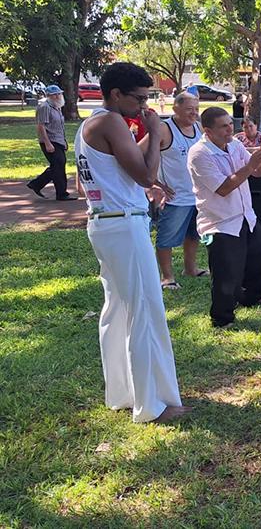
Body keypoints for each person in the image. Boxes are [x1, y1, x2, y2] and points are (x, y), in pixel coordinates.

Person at [74, 62, 187, 422]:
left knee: (119, 311)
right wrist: (155, 133)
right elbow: (145, 174)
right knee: (145, 310)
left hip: (107, 222)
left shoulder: (90, 125)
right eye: (138, 99)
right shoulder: (109, 121)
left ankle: (123, 393)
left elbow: (120, 168)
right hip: (123, 225)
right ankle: (151, 405)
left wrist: (144, 150)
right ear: (115, 94)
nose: (143, 106)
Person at [188, 107, 261, 328]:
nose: (230, 129)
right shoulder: (199, 154)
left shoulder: (235, 144)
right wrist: (251, 164)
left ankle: (253, 296)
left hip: (246, 215)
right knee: (227, 274)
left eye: (230, 124)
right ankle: (222, 317)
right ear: (207, 130)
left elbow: (257, 173)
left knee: (260, 255)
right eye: (224, 126)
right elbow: (224, 188)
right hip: (220, 222)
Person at [145, 92, 209, 290]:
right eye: (189, 109)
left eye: (197, 109)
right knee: (166, 238)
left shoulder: (198, 128)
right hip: (175, 198)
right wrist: (155, 183)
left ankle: (190, 268)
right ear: (175, 108)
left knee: (194, 234)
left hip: (197, 196)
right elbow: (141, 152)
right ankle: (167, 277)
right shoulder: (164, 129)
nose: (194, 113)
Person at [27, 85, 77, 201]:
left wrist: (64, 141)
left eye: (59, 94)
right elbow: (41, 126)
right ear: (48, 96)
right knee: (58, 166)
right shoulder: (45, 107)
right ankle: (61, 193)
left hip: (58, 140)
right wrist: (47, 143)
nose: (58, 96)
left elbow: (60, 127)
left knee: (58, 166)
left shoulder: (57, 107)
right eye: (55, 94)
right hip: (50, 141)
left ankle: (37, 184)